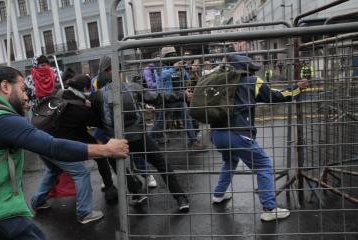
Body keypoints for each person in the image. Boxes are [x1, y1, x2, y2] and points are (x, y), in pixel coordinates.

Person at [0, 66, 129, 239]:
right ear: (5, 86)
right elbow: (53, 147)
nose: (26, 96)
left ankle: (38, 201)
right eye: (22, 89)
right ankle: (83, 212)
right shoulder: (1, 119)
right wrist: (106, 149)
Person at [210, 55, 308, 221]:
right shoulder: (253, 81)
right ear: (247, 68)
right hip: (238, 133)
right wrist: (297, 88)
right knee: (263, 165)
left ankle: (218, 194)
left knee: (230, 160)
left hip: (217, 134)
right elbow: (274, 97)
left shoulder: (219, 81)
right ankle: (269, 208)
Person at [93, 56, 190, 212]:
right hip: (139, 136)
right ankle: (180, 198)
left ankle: (136, 194)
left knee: (117, 165)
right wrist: (181, 95)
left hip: (117, 140)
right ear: (114, 70)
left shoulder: (97, 95)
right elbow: (158, 97)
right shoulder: (132, 87)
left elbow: (95, 118)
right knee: (161, 164)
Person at [32, 74, 119, 216]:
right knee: (81, 172)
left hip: (39, 139)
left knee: (53, 170)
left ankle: (37, 201)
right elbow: (100, 122)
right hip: (56, 144)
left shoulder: (59, 93)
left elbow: (78, 130)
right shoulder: (79, 109)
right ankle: (85, 212)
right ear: (85, 88)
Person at [151, 46, 206, 150]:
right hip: (166, 99)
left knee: (187, 119)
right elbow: (160, 77)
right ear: (165, 57)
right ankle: (148, 141)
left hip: (179, 97)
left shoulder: (177, 66)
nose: (174, 57)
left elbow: (186, 79)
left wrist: (184, 70)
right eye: (170, 55)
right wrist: (174, 68)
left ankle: (194, 141)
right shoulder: (159, 66)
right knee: (160, 123)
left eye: (174, 54)